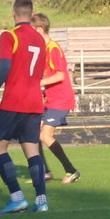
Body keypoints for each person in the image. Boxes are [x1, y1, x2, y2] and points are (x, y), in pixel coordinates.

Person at [0, 0, 51, 214]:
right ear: (32, 15)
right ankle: (41, 201)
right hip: (34, 102)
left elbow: (5, 66)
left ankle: (17, 197)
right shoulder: (40, 39)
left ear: (13, 13)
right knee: (32, 150)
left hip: (14, 100)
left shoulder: (9, 35)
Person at [32, 13, 81, 183]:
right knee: (33, 132)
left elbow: (60, 75)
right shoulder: (44, 49)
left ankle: (72, 170)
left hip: (61, 99)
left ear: (39, 30)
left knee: (45, 136)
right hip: (51, 99)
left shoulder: (53, 48)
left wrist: (38, 83)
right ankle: (45, 172)